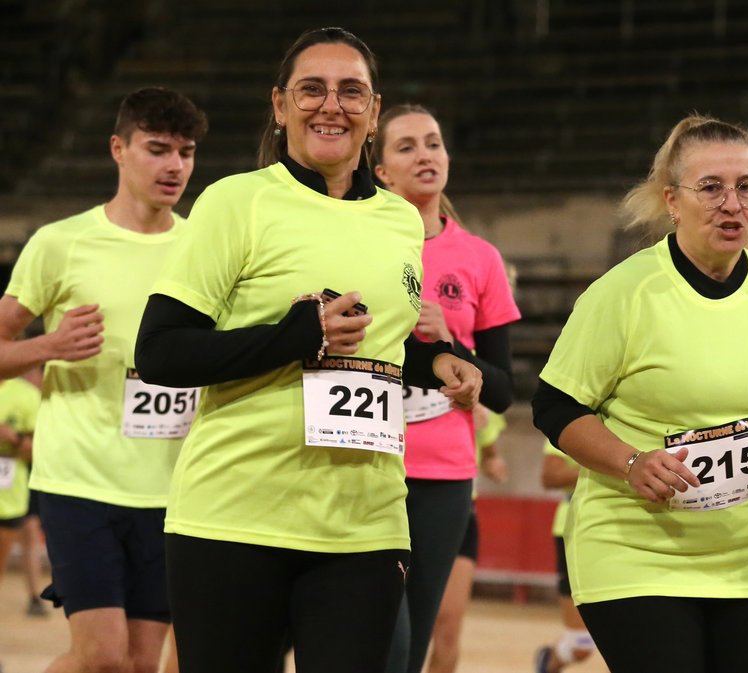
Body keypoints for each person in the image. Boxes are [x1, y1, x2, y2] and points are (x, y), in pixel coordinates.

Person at [133, 27, 481, 673]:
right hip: (234, 519)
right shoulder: (236, 201)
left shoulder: (400, 219)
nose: (332, 105)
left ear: (374, 111)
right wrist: (296, 336)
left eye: (352, 92)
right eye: (311, 90)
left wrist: (433, 360)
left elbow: (375, 341)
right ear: (279, 104)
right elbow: (161, 352)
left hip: (366, 523)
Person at [531, 114, 748, 673]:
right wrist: (630, 462)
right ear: (673, 201)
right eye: (712, 188)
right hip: (638, 550)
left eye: (746, 187)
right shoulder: (622, 294)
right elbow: (555, 405)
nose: (732, 203)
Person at [0, 86, 206, 673]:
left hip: (172, 489)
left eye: (186, 153)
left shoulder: (203, 248)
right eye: (157, 149)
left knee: (143, 665)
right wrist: (50, 346)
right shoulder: (60, 243)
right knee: (104, 659)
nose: (174, 166)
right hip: (79, 482)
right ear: (118, 148)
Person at [371, 103, 520, 673]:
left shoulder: (480, 259)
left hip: (443, 478)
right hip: (364, 460)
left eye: (433, 143)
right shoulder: (359, 242)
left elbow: (504, 390)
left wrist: (448, 346)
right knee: (383, 639)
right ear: (381, 170)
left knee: (411, 649)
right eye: (406, 146)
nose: (425, 155)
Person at [425, 407, 510, 673]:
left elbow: (490, 456)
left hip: (459, 514)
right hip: (405, 506)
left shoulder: (483, 401)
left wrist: (493, 465)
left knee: (448, 628)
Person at [534, 440, 595, 673]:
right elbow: (549, 477)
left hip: (635, 533)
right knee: (581, 645)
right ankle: (548, 663)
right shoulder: (573, 416)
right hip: (574, 527)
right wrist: (611, 465)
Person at [0, 367, 41, 609]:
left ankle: (34, 595)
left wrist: (13, 438)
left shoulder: (26, 395)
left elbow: (37, 449)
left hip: (9, 496)